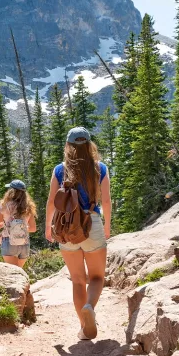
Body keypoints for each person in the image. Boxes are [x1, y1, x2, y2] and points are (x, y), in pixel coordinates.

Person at [45, 127, 111, 341]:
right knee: (97, 277)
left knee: (77, 280)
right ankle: (89, 307)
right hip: (91, 222)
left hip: (66, 227)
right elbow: (107, 201)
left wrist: (48, 227)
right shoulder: (99, 168)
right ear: (89, 145)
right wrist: (107, 226)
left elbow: (50, 202)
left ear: (69, 146)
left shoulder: (59, 170)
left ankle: (84, 327)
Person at [0, 179, 37, 268]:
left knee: (14, 275)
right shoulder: (29, 207)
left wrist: (6, 225)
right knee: (20, 272)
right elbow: (33, 228)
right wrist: (20, 228)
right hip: (24, 243)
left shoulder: (4, 206)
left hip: (9, 242)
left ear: (11, 191)